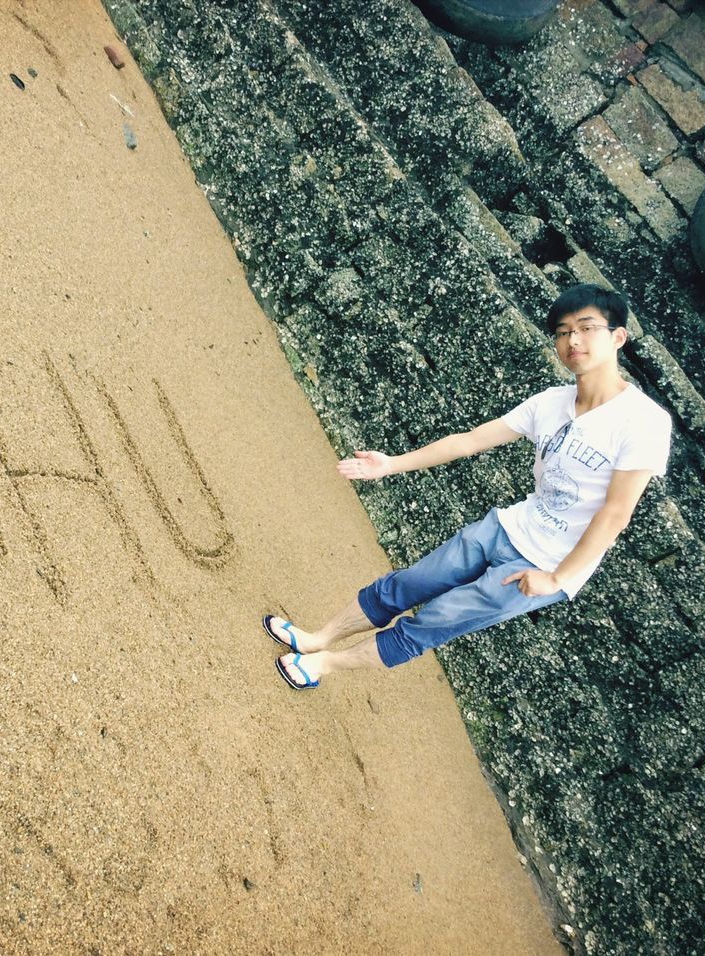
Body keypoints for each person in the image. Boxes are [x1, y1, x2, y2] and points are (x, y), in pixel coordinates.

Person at [267, 284, 672, 690]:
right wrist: (391, 465)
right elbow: (471, 439)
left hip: (543, 565)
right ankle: (317, 638)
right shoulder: (552, 401)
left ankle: (324, 665)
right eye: (563, 331)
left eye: (586, 328)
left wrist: (557, 578)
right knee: (408, 584)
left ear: (618, 336)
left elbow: (616, 512)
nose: (573, 340)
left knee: (434, 621)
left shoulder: (645, 422)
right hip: (504, 527)